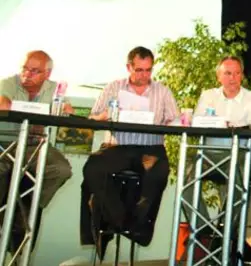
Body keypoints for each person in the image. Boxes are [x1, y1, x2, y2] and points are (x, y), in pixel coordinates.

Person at [83, 46, 179, 241]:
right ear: (129, 67)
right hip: (117, 147)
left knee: (158, 172)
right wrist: (105, 115)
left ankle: (135, 223)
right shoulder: (113, 87)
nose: (144, 75)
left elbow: (175, 120)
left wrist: (172, 121)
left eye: (148, 70)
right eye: (139, 70)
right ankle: (122, 221)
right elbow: (92, 118)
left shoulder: (163, 91)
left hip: (150, 148)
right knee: (93, 168)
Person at [184, 55, 251, 228]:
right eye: (227, 73)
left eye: (237, 73)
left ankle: (228, 232)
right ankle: (202, 228)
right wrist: (225, 124)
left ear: (242, 75)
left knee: (236, 169)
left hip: (243, 154)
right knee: (187, 169)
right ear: (218, 76)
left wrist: (219, 123)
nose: (233, 78)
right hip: (210, 155)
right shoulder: (208, 95)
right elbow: (198, 122)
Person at [0, 51, 72, 224]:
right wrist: (36, 120)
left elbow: (67, 111)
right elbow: (3, 105)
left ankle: (28, 207)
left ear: (47, 74)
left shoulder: (55, 89)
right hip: (4, 142)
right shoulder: (8, 83)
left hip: (33, 146)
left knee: (62, 170)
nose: (27, 74)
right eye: (24, 68)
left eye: (34, 71)